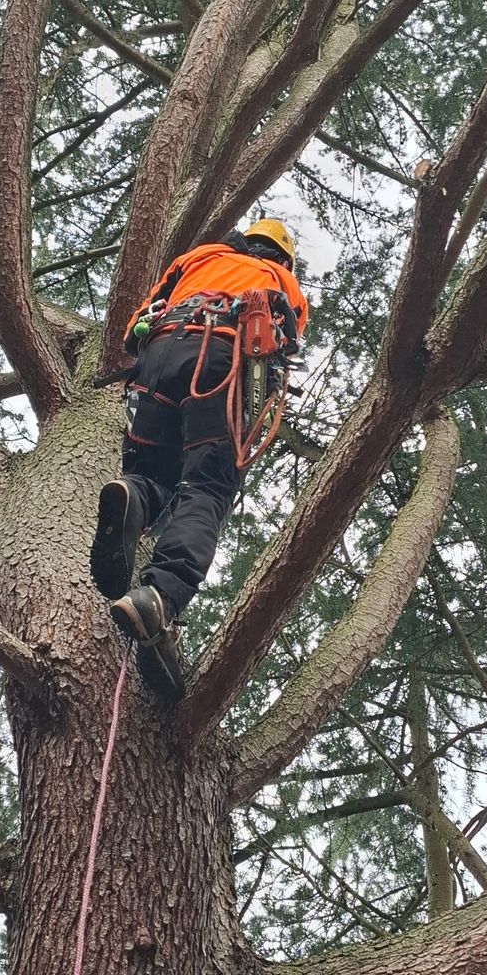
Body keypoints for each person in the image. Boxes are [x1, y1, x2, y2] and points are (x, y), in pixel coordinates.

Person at [90, 218, 308, 702]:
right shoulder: (284, 281)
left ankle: (135, 496)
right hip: (222, 359)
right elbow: (284, 342)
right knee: (206, 488)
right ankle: (160, 598)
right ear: (282, 256)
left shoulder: (196, 258)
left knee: (150, 472)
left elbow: (133, 331)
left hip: (160, 355)